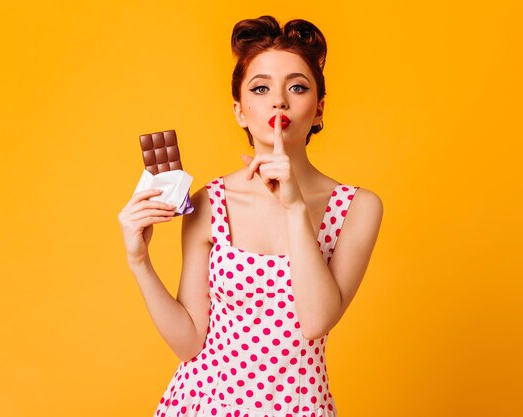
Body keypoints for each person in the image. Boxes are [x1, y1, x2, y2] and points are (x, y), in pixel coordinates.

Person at [118, 15, 383, 417]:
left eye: (297, 87)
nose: (279, 101)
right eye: (261, 89)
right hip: (203, 405)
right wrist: (139, 262)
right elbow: (189, 343)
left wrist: (294, 206)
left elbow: (316, 322)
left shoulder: (358, 207)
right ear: (240, 111)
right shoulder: (211, 202)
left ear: (318, 111)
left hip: (299, 407)